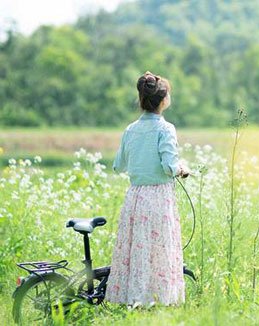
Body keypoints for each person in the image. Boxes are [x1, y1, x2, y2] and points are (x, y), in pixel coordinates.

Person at [105, 71, 189, 307]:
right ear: (163, 100)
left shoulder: (130, 129)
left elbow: (118, 165)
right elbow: (170, 167)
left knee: (137, 249)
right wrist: (182, 168)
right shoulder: (165, 129)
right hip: (158, 197)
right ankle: (157, 299)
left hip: (135, 196)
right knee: (159, 249)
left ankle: (133, 298)